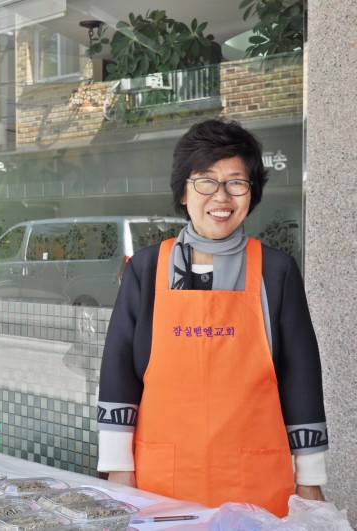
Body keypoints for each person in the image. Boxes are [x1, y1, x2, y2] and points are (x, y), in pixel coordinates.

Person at [96, 118, 328, 517]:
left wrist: (310, 480)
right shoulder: (147, 269)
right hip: (161, 476)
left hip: (254, 479)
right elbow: (118, 370)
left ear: (250, 194)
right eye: (206, 181)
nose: (221, 196)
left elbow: (301, 377)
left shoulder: (277, 270)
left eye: (236, 182)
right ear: (184, 193)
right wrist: (118, 468)